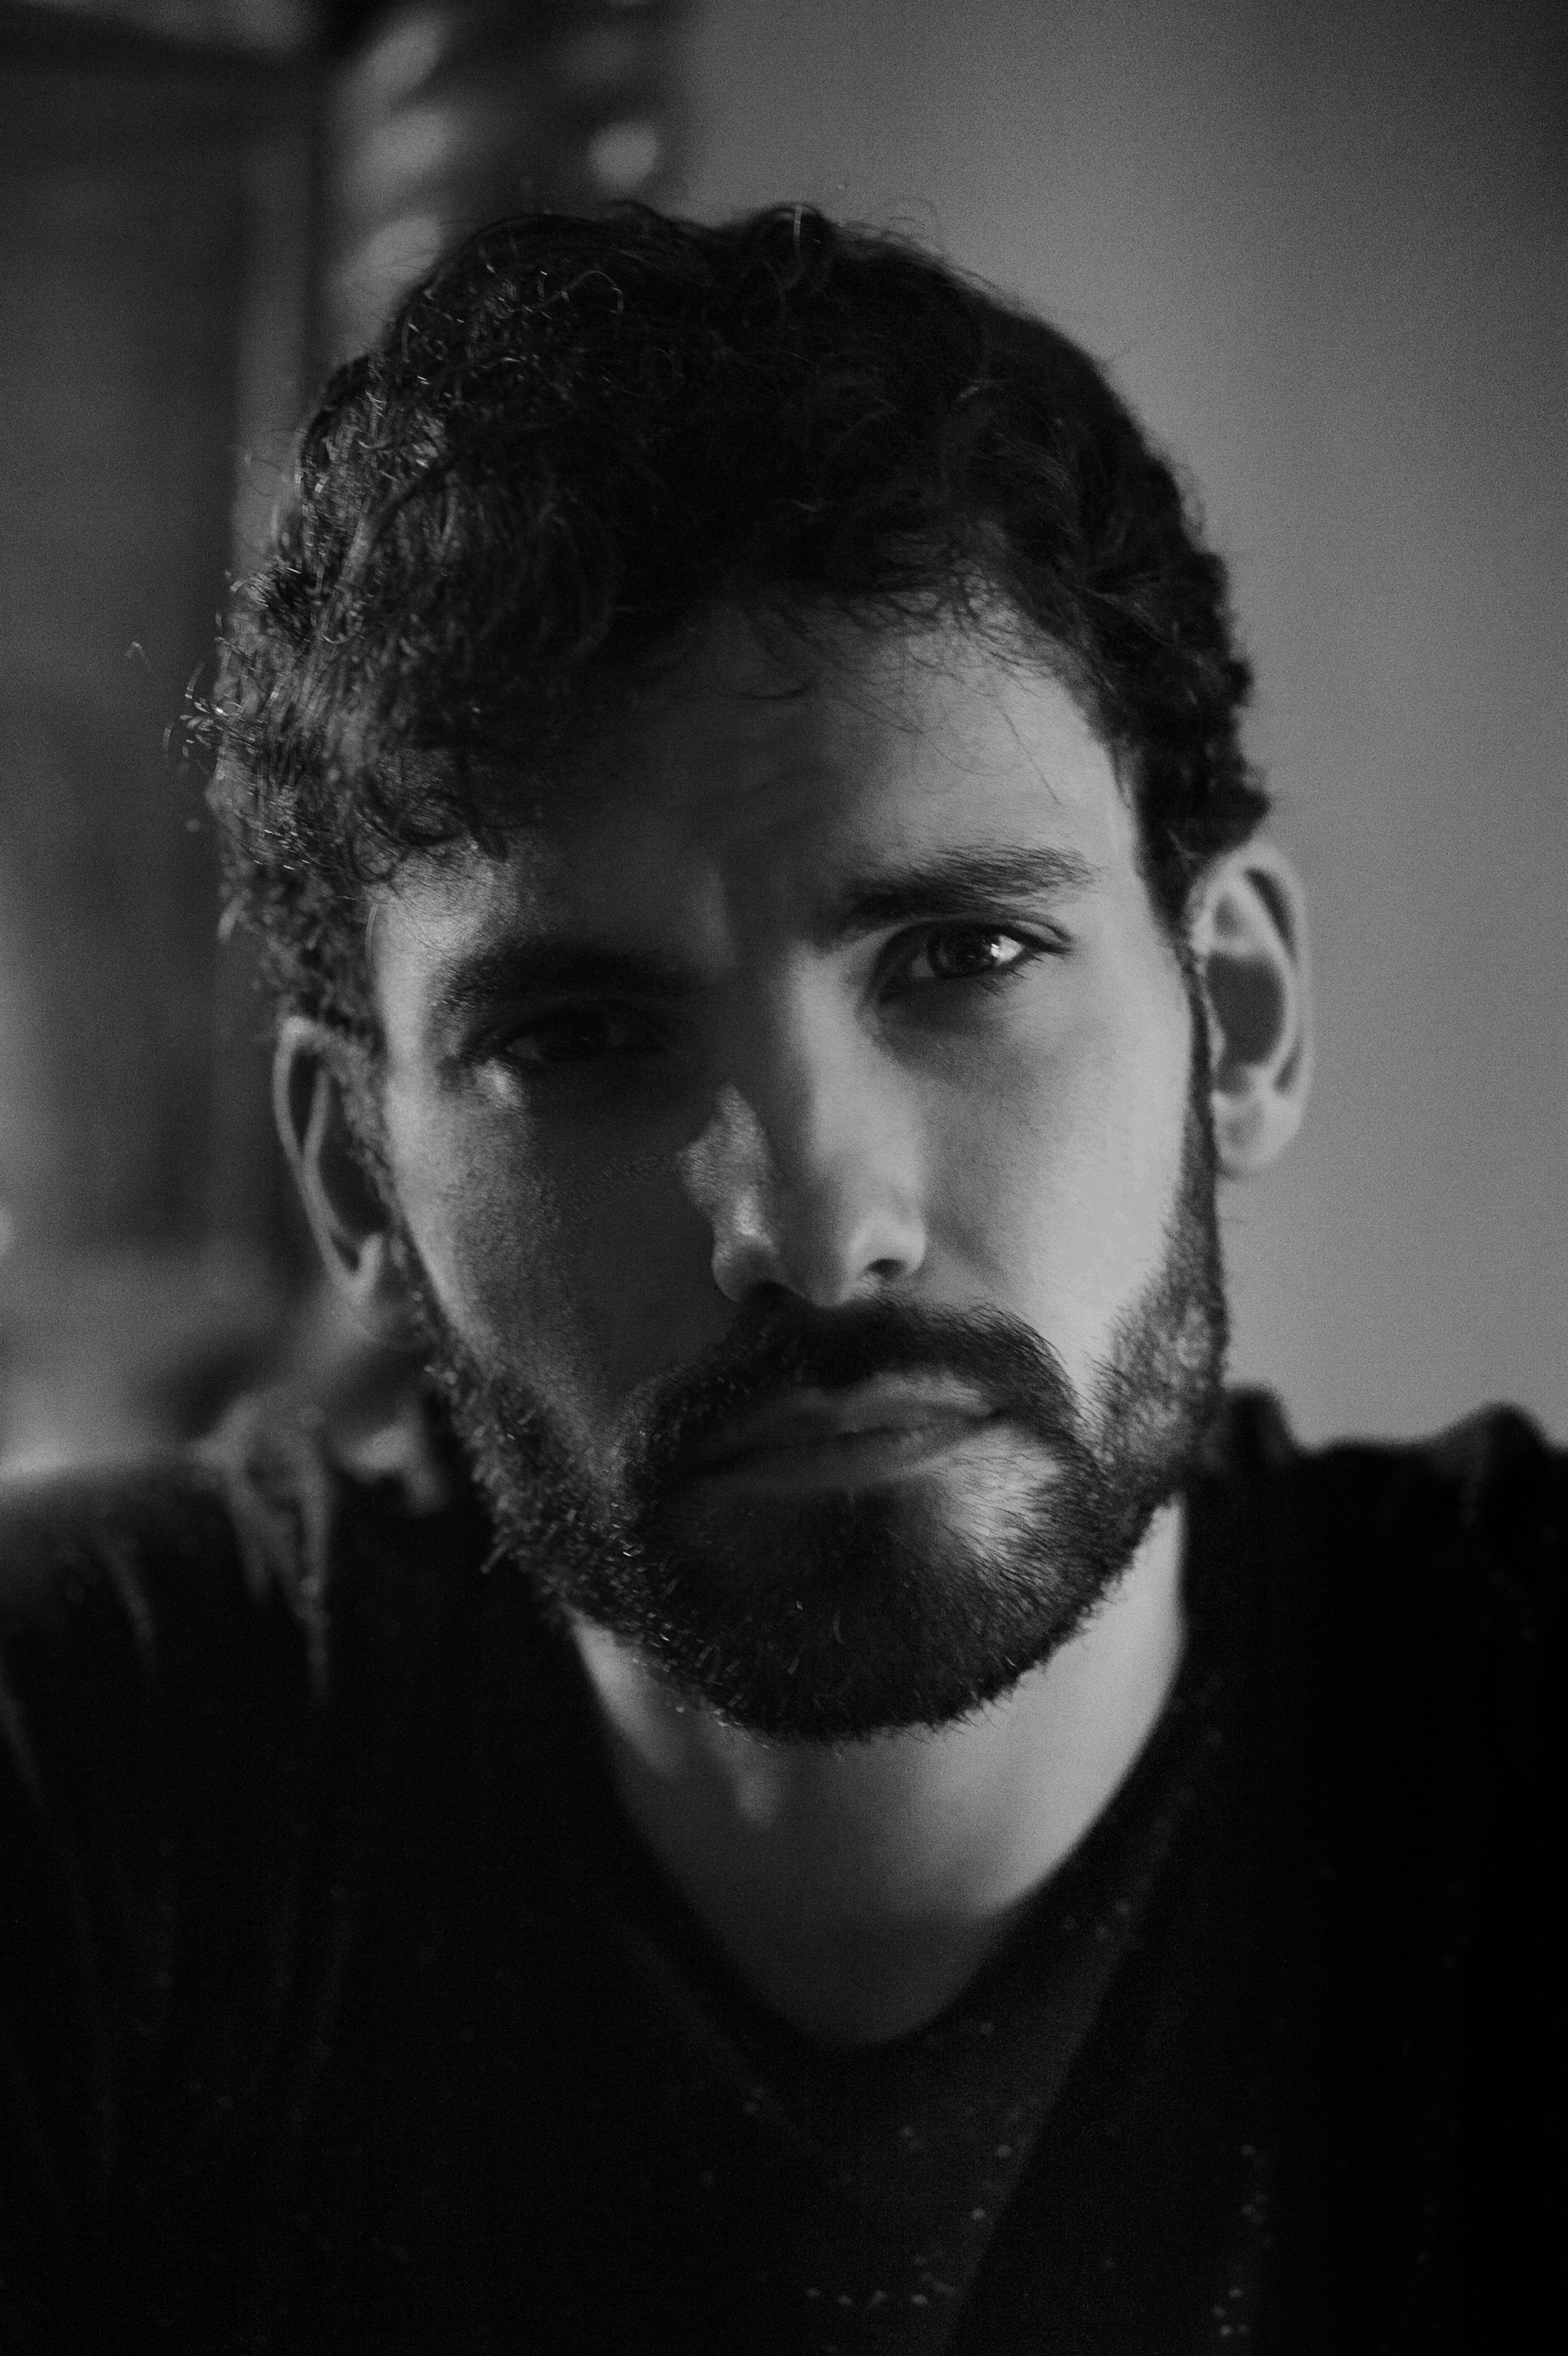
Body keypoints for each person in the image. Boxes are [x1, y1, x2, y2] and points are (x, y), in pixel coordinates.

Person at [0, 206, 1557, 2355]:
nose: (819, 1230)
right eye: (576, 1035)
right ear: (359, 1172)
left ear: (1241, 1013)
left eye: (966, 956)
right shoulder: (88, 1771)